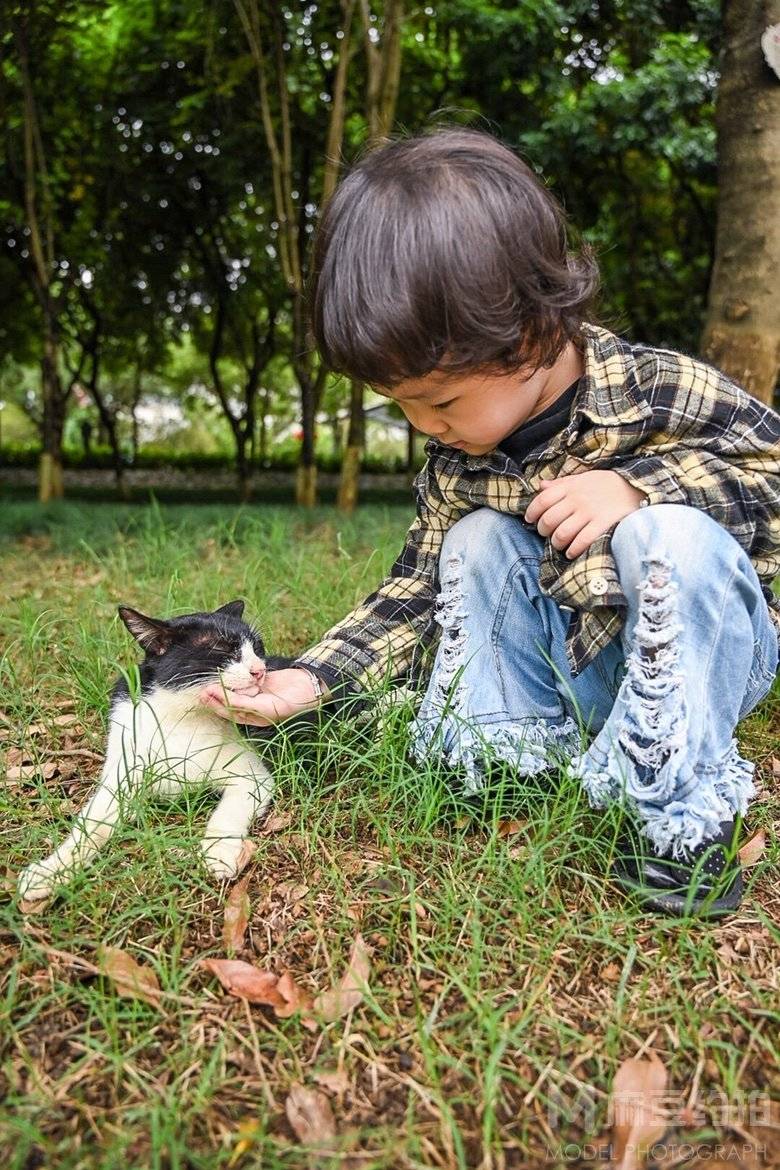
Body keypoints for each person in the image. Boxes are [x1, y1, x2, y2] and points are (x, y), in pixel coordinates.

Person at [200, 129, 780, 918]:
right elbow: (413, 593)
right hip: (575, 674)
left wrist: (640, 489)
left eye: (438, 401)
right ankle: (506, 758)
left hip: (703, 662)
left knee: (665, 538)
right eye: (398, 404)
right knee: (473, 540)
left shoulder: (658, 391)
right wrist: (315, 677)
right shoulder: (459, 464)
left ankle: (675, 821)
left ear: (534, 337)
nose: (422, 425)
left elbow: (771, 476)